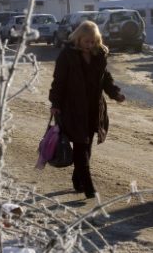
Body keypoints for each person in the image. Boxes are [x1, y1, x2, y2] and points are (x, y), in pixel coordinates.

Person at [49, 20, 126, 199]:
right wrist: (55, 104)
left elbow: (106, 78)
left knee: (87, 145)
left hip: (94, 107)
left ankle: (78, 179)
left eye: (93, 41)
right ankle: (89, 188)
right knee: (80, 146)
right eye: (87, 41)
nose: (90, 45)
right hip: (73, 107)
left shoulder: (99, 55)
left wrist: (115, 94)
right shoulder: (66, 55)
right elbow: (58, 82)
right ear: (78, 39)